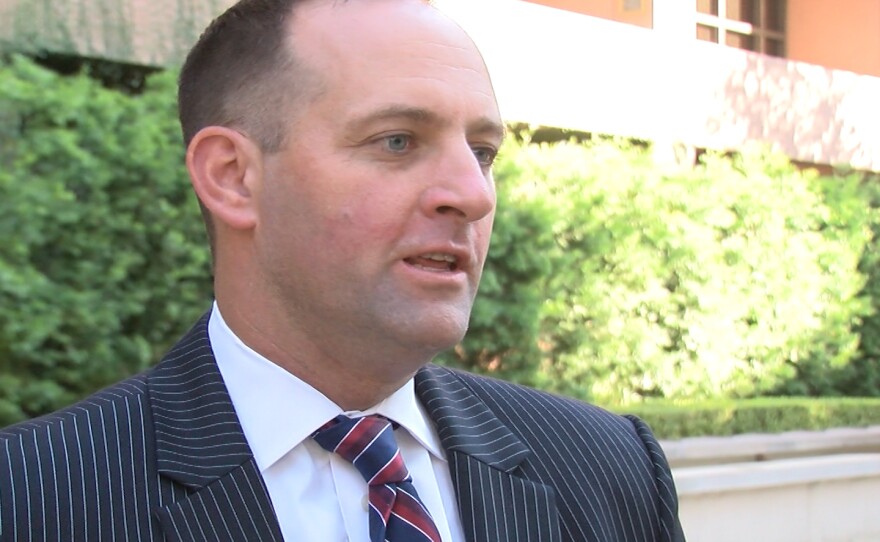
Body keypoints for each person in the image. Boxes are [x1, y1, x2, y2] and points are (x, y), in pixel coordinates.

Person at [0, 0, 686, 540]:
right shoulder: (35, 497)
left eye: (482, 151)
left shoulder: (608, 467)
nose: (472, 195)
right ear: (233, 177)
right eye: (397, 141)